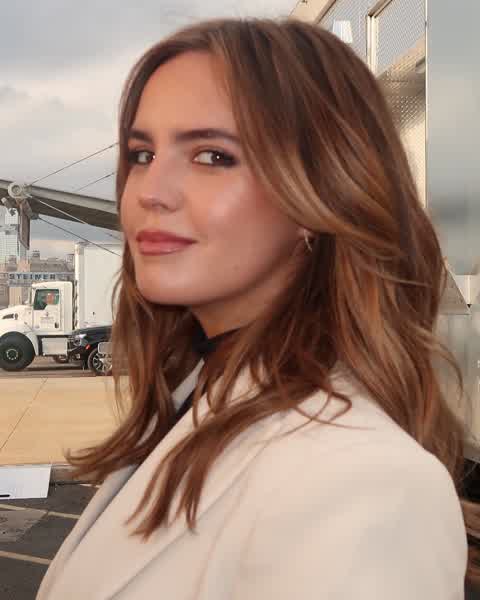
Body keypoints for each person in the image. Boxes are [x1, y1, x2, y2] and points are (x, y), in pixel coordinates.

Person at [37, 18, 476, 599]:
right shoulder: (194, 394)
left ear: (323, 191)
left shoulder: (362, 484)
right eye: (142, 154)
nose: (148, 191)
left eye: (212, 156)